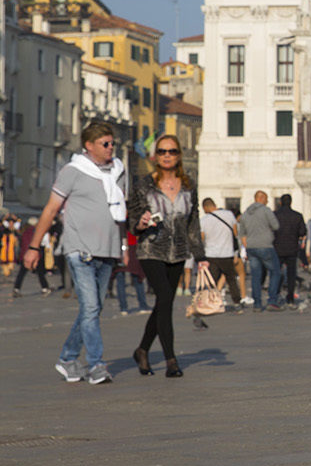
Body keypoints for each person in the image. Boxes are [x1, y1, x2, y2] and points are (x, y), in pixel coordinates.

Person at [24, 121, 128, 385]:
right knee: (91, 307)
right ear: (89, 146)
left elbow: (120, 212)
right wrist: (34, 246)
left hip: (109, 249)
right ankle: (96, 366)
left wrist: (124, 246)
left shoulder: (118, 171)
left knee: (92, 310)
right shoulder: (73, 171)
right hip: (79, 249)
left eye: (112, 142)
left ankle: (68, 358)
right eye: (105, 143)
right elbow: (50, 210)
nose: (110, 147)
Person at [127, 134, 205, 378]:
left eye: (171, 151)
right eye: (162, 152)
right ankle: (171, 360)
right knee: (164, 299)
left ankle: (142, 349)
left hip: (179, 252)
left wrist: (200, 256)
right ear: (155, 156)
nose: (167, 155)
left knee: (164, 303)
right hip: (152, 249)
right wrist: (139, 223)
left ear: (179, 155)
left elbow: (193, 223)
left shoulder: (189, 186)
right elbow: (131, 220)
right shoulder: (143, 186)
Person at [238, 190, 282, 311]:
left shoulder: (246, 213)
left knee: (255, 276)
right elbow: (276, 226)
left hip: (251, 247)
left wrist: (246, 247)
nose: (267, 202)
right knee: (275, 272)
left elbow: (242, 234)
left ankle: (257, 303)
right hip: (265, 246)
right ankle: (272, 300)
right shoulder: (266, 211)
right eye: (266, 199)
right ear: (261, 198)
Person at [200, 198, 243, 305]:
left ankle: (210, 301)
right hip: (227, 253)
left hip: (211, 254)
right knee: (231, 279)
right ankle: (237, 302)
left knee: (212, 280)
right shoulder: (229, 215)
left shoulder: (204, 220)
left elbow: (202, 238)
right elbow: (235, 233)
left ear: (205, 207)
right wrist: (236, 253)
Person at [273, 194, 307, 306]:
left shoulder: (275, 215)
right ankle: (290, 297)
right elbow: (302, 232)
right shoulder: (297, 216)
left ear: (281, 202)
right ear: (291, 202)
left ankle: (276, 294)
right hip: (292, 248)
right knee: (292, 274)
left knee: (277, 273)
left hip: (277, 247)